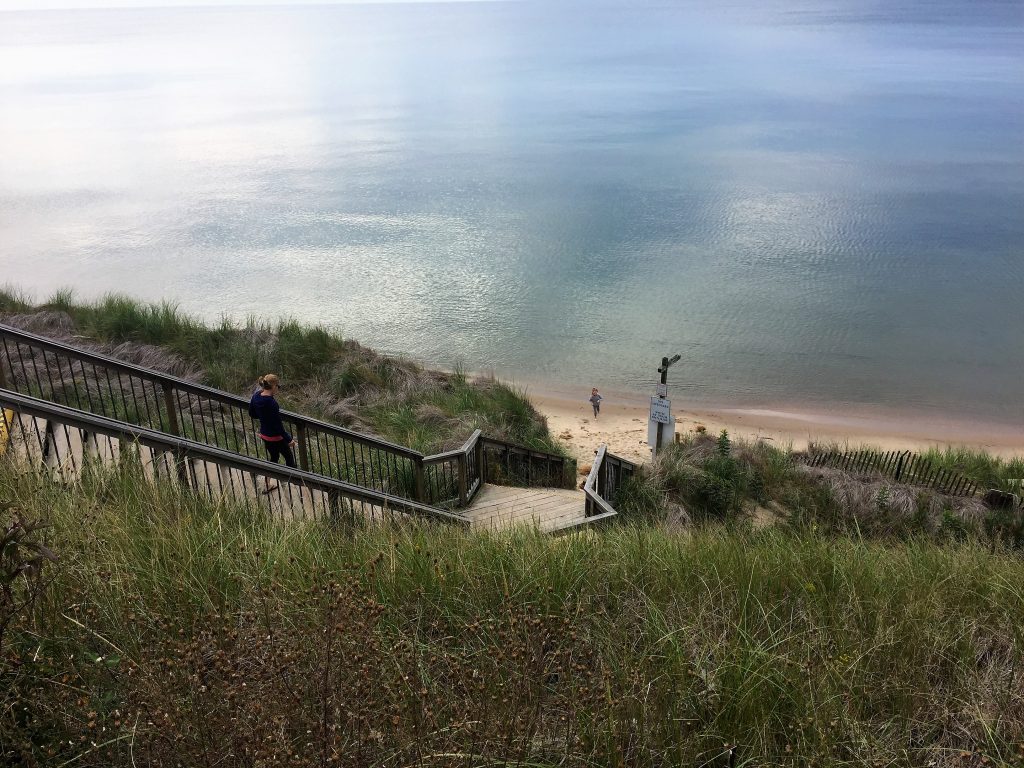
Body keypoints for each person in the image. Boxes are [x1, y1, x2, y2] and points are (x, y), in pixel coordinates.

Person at [249, 373, 297, 492]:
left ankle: (267, 484)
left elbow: (252, 413)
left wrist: (263, 417)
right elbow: (278, 426)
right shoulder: (272, 403)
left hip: (265, 435)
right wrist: (288, 439)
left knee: (274, 458)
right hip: (276, 437)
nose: (278, 389)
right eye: (278, 386)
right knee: (289, 458)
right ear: (273, 386)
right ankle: (295, 484)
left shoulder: (256, 396)